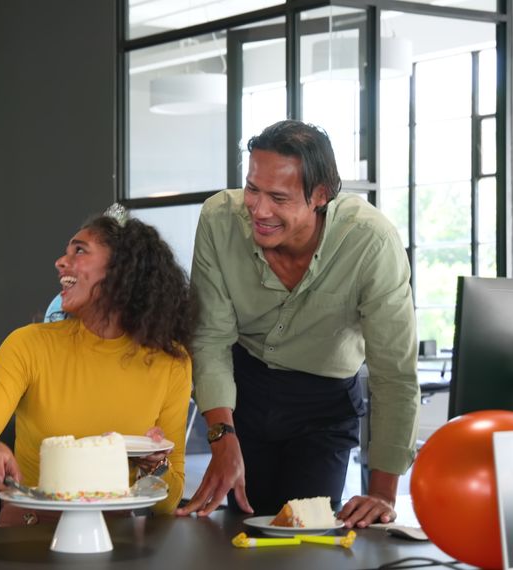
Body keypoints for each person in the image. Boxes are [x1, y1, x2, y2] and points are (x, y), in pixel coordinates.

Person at [176, 119, 420, 528]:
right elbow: (210, 337)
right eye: (252, 189)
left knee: (308, 536)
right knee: (245, 535)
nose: (259, 209)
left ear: (320, 196)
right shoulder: (220, 219)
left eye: (278, 197)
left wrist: (382, 493)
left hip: (323, 404)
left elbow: (394, 373)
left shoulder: (371, 242)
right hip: (245, 389)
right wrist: (221, 437)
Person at [0, 213, 194, 526]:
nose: (60, 262)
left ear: (124, 269)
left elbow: (169, 501)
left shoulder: (171, 361)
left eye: (80, 251)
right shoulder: (28, 345)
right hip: (27, 534)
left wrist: (155, 467)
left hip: (118, 540)